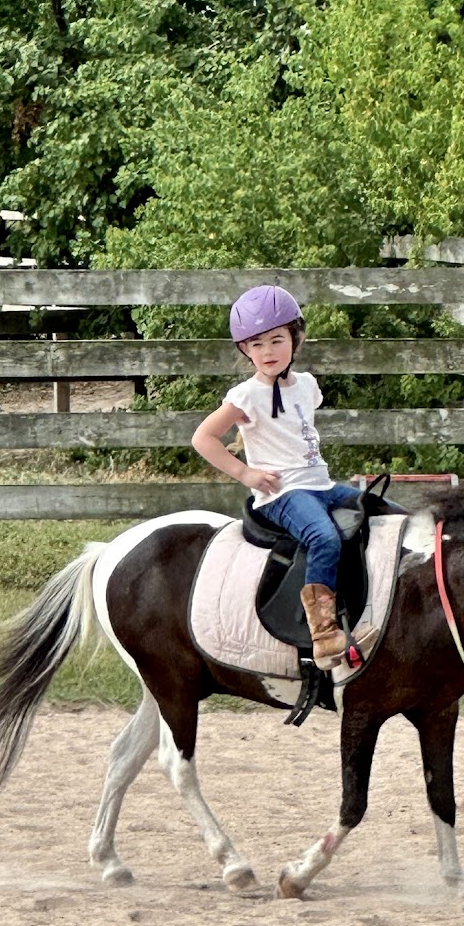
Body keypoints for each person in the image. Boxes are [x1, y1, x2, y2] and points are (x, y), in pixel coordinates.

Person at [191, 284, 378, 670]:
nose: (268, 352)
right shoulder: (245, 396)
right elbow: (203, 438)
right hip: (283, 493)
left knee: (384, 510)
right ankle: (323, 633)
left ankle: (374, 611)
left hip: (320, 485)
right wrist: (246, 473)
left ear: (296, 338)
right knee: (323, 538)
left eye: (277, 340)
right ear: (245, 350)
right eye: (256, 345)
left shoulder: (307, 385)